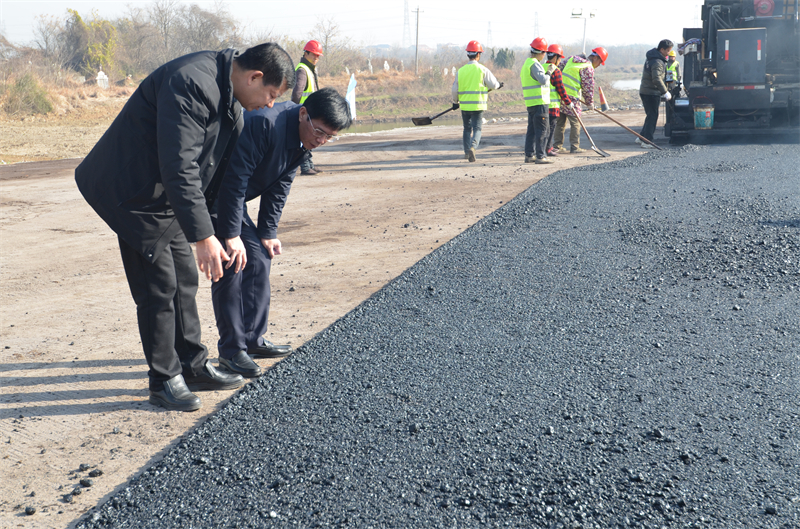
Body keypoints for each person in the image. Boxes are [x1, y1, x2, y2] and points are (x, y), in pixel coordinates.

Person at [75, 43, 296, 412]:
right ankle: (163, 379)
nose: (271, 104)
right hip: (134, 193)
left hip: (167, 197)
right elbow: (180, 166)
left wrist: (225, 232)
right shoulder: (192, 82)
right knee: (159, 287)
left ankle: (192, 366)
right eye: (271, 94)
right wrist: (202, 236)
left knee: (184, 280)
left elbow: (216, 172)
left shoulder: (231, 97)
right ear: (254, 77)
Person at [211, 88, 353, 378]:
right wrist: (230, 234)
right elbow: (234, 180)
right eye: (319, 131)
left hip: (233, 196)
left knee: (260, 256)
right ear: (303, 113)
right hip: (212, 193)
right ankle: (231, 351)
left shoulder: (302, 138)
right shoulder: (266, 123)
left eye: (329, 137)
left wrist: (267, 231)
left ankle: (252, 338)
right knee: (233, 263)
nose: (321, 140)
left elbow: (281, 184)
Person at [452, 40, 502, 162]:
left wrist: (455, 102)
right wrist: (498, 85)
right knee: (477, 129)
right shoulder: (482, 69)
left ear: (468, 55)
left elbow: (454, 89)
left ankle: (466, 152)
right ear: (478, 55)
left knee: (467, 129)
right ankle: (473, 148)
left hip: (464, 106)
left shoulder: (461, 71)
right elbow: (494, 85)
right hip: (478, 105)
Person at [553, 47, 608, 154]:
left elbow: (558, 69)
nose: (599, 65)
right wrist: (589, 102)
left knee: (560, 122)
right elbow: (588, 87)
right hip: (572, 98)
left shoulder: (571, 59)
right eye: (600, 62)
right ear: (596, 58)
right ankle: (575, 147)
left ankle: (557, 146)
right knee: (575, 122)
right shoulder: (588, 67)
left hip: (560, 95)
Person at [292, 40, 324, 175]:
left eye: (318, 56)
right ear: (306, 53)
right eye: (314, 55)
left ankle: (309, 164)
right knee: (305, 140)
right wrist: (295, 110)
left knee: (310, 138)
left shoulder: (310, 69)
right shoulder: (302, 70)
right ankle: (305, 167)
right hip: (303, 111)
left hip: (310, 111)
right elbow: (297, 92)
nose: (316, 58)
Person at [520, 37, 553, 164]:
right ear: (540, 52)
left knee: (532, 130)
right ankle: (541, 156)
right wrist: (548, 72)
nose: (545, 55)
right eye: (544, 52)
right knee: (543, 130)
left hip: (531, 102)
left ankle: (529, 155)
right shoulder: (535, 64)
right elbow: (543, 80)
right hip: (540, 102)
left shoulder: (526, 64)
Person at [638, 39, 673, 148]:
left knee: (650, 115)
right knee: (653, 116)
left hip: (646, 91)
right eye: (668, 51)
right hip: (651, 92)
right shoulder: (657, 62)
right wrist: (665, 91)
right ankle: (647, 141)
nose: (669, 53)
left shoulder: (653, 58)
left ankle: (642, 137)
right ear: (662, 49)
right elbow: (657, 78)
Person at [544, 44, 571, 158]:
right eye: (559, 58)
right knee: (550, 128)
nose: (560, 61)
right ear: (555, 57)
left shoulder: (541, 67)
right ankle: (549, 149)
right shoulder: (556, 71)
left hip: (541, 104)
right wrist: (568, 102)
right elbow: (561, 89)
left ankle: (541, 149)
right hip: (552, 106)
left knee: (543, 129)